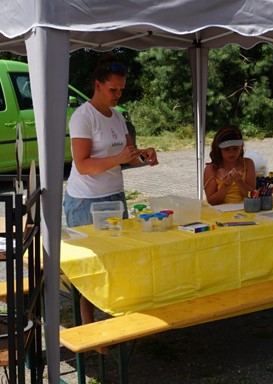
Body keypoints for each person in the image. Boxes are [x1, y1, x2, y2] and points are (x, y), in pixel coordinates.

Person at [64, 54, 158, 324]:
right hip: (86, 201)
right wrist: (116, 160)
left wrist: (144, 155)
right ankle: (89, 326)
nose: (117, 95)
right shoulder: (83, 117)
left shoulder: (116, 116)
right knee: (91, 267)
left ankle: (113, 318)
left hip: (114, 196)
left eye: (121, 90)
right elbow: (82, 165)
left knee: (116, 261)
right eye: (112, 89)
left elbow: (127, 155)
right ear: (97, 85)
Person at [203, 125, 256, 205]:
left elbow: (253, 197)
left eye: (235, 148)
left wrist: (239, 182)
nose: (231, 153)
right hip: (219, 213)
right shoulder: (211, 169)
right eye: (226, 149)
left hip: (245, 211)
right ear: (219, 149)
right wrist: (225, 185)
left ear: (241, 148)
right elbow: (212, 201)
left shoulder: (248, 164)